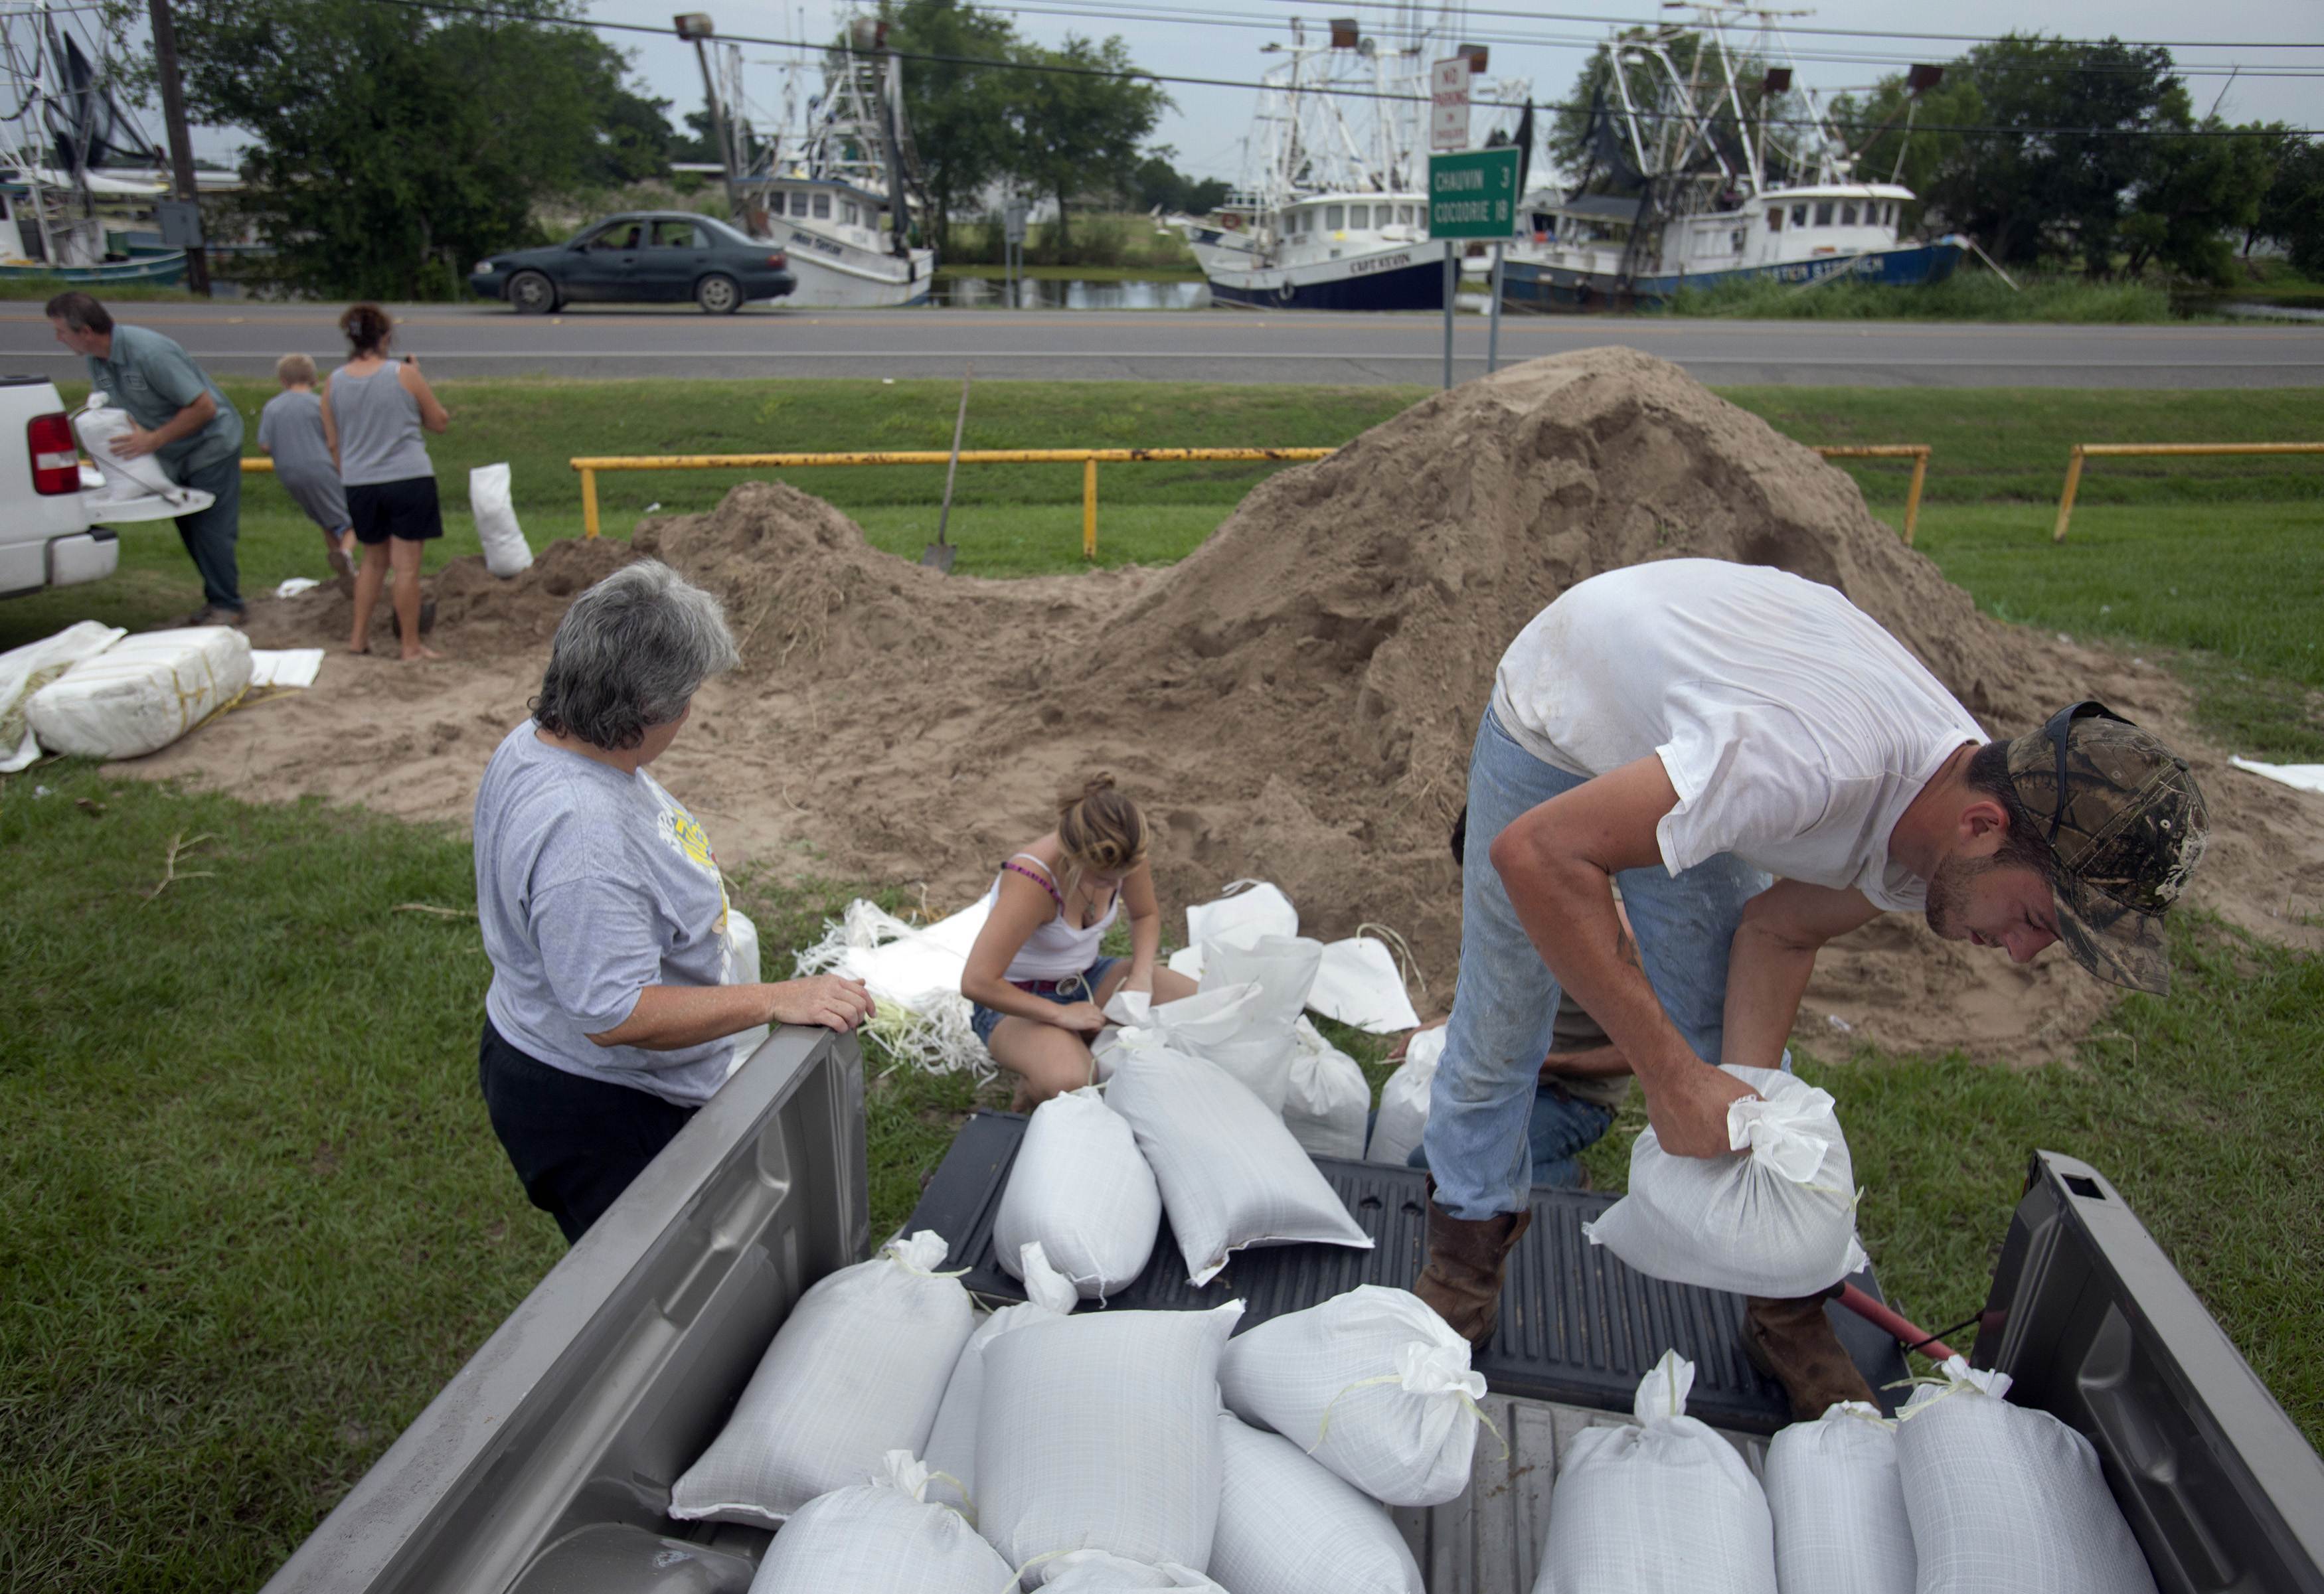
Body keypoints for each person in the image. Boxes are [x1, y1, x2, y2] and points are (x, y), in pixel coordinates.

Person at [1416, 557, 2210, 1421]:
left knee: (1732, 1041)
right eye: (2037, 919)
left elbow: (1779, 930)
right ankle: (1464, 1254)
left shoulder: (1950, 827)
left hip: (1701, 717)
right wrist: (1672, 1080)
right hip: (1565, 706)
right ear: (1985, 829)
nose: (2021, 953)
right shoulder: (1803, 765)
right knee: (1503, 1021)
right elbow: (1537, 855)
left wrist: (1746, 1108)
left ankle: (1779, 1303)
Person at [473, 560, 873, 1242]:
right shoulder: (583, 838)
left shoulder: (543, 739)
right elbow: (614, 1008)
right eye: (689, 696)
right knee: (668, 1295)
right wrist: (775, 1000)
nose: (692, 710)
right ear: (651, 711)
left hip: (588, 1074)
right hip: (598, 1104)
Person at [960, 775, 1199, 1109]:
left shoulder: (1123, 853)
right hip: (1016, 998)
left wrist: (1141, 976)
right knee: (1073, 1082)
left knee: (1200, 1007)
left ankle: (1075, 1041)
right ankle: (1036, 1081)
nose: (1116, 884)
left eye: (1122, 875)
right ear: (1073, 856)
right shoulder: (1032, 881)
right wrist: (1059, 1016)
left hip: (1086, 977)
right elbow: (977, 982)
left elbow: (1145, 915)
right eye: (1103, 878)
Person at [46, 290, 245, 625]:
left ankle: (229, 606)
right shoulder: (98, 360)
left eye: (61, 331)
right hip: (172, 451)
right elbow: (113, 409)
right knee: (187, 525)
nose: (58, 339)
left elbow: (204, 407)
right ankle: (215, 601)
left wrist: (154, 439)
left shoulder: (150, 353)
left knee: (211, 529)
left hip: (211, 446)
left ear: (85, 332)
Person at [320, 303, 450, 660]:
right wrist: (417, 376)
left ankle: (358, 638)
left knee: (372, 562)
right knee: (406, 567)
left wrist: (350, 475)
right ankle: (410, 645)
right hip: (407, 477)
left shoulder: (334, 382)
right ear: (386, 337)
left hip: (360, 482)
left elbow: (333, 442)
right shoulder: (403, 374)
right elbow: (438, 421)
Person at [256, 353, 356, 584]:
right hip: (322, 469)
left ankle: (343, 573)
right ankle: (346, 555)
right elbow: (338, 438)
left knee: (326, 520)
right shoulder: (319, 405)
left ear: (282, 380)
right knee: (354, 519)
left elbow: (265, 444)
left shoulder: (273, 408)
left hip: (289, 474)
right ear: (314, 379)